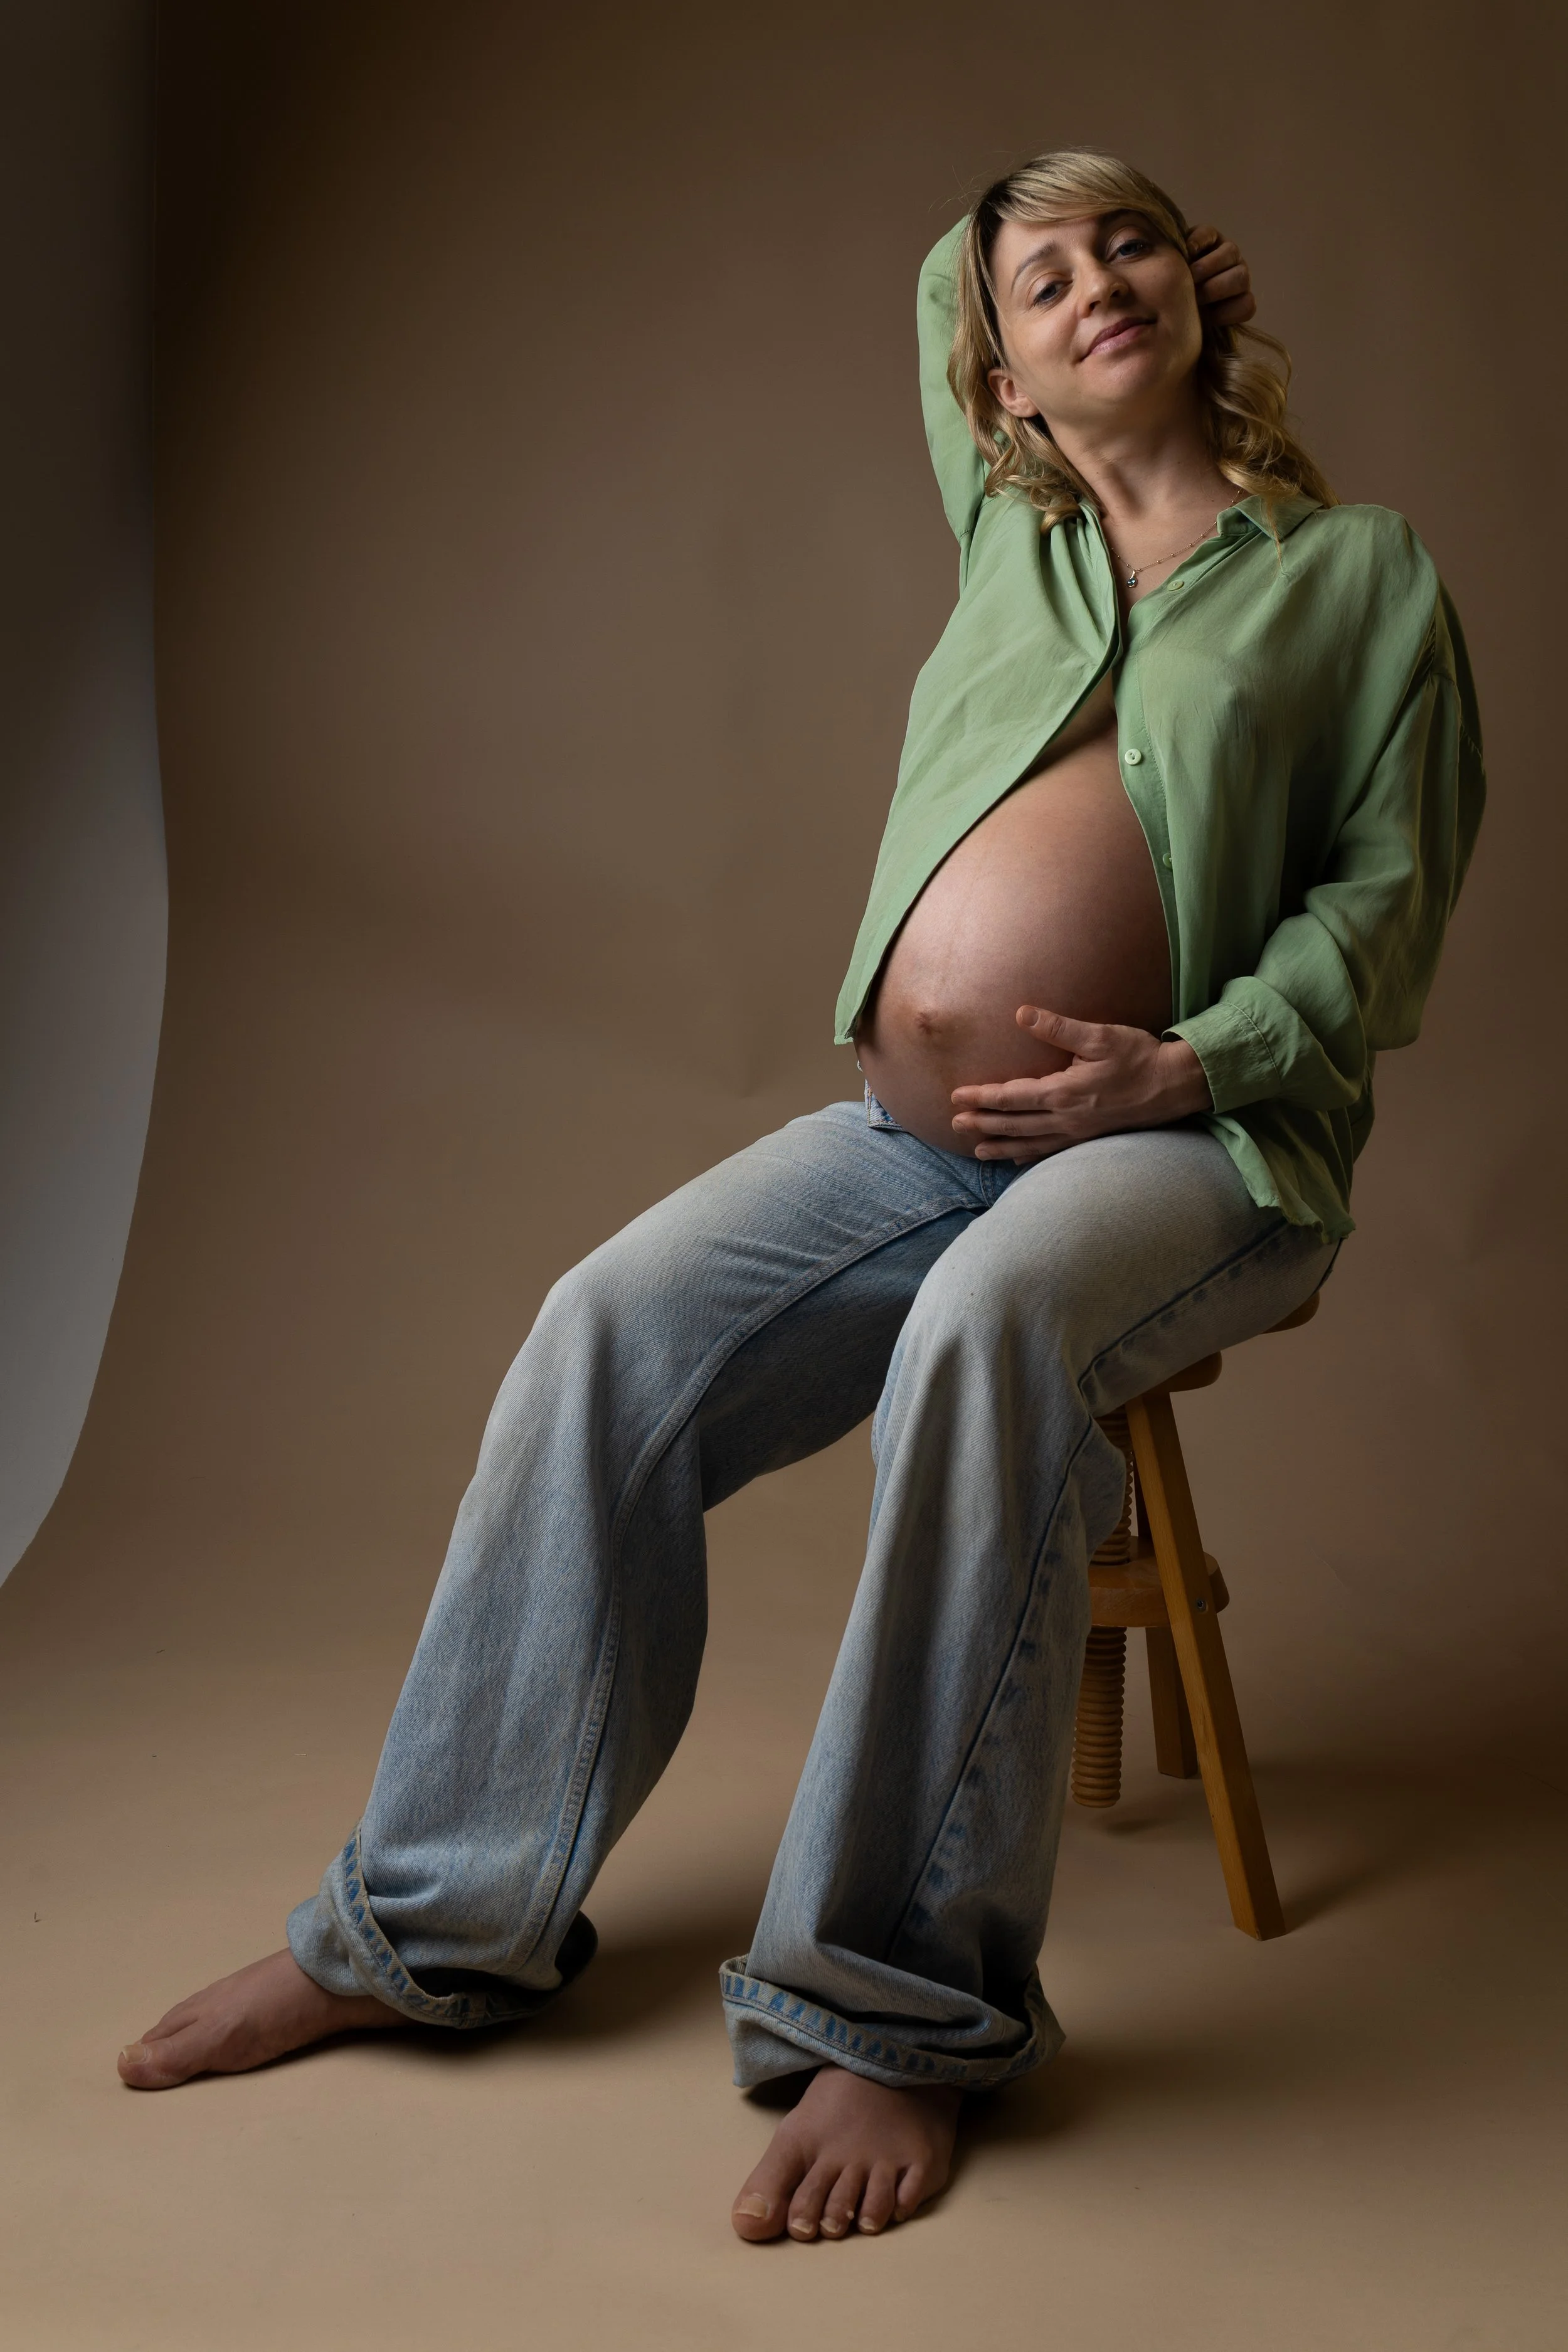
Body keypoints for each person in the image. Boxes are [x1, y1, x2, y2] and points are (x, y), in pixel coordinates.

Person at [117, 149, 1484, 2245]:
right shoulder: (1010, 526)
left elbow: (1386, 915)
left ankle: (898, 2006)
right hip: (911, 1146)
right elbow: (937, 275)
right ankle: (426, 1919)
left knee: (987, 1329)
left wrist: (1182, 1061)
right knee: (606, 1323)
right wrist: (1087, 258)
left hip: (1200, 1147)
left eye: (1131, 242)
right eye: (1050, 282)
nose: (1095, 282)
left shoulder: (1358, 575)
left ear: (1203, 294)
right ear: (1001, 385)